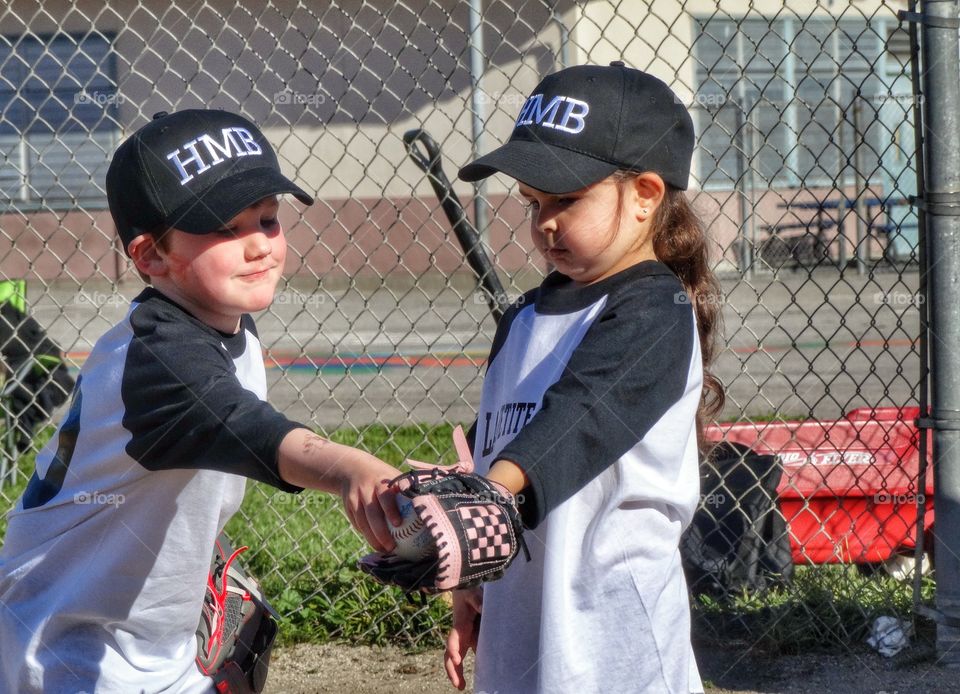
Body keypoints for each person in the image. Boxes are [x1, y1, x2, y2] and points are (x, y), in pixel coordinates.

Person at [0, 109, 402, 693]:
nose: (258, 245)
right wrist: (351, 469)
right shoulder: (156, 357)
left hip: (144, 636)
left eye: (267, 218)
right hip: (69, 642)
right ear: (151, 257)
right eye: (224, 227)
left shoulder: (225, 321)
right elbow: (243, 425)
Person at [444, 63, 725, 693]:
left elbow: (577, 418)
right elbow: (496, 441)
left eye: (567, 198)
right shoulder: (522, 319)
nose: (544, 221)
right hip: (522, 613)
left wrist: (483, 503)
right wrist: (473, 576)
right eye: (533, 202)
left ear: (646, 194)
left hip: (613, 631)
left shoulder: (656, 312)